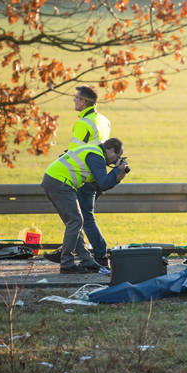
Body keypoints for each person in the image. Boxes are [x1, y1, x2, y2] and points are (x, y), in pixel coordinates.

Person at [45, 86, 111, 267]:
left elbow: (76, 152)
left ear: (84, 102)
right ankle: (73, 250)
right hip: (97, 173)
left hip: (83, 173)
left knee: (81, 218)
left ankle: (98, 255)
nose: (74, 100)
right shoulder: (104, 120)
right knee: (79, 217)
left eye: (76, 98)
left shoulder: (83, 123)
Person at [41, 138, 128, 274]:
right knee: (76, 221)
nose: (114, 161)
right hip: (60, 182)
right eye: (117, 157)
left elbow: (99, 186)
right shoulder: (96, 156)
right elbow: (104, 183)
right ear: (111, 150)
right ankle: (67, 264)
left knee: (75, 222)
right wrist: (116, 170)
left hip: (54, 180)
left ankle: (87, 260)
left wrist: (118, 176)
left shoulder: (93, 152)